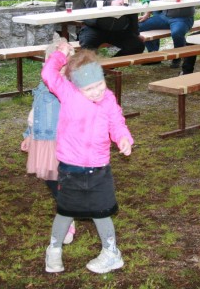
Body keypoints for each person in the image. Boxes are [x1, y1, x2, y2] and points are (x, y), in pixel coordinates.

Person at [41, 46, 133, 274]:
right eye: (89, 89)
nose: (96, 92)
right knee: (65, 211)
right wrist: (60, 54)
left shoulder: (108, 99)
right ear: (77, 86)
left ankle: (111, 253)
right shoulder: (68, 92)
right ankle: (54, 249)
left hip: (99, 168)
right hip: (70, 168)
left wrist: (123, 137)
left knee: (102, 211)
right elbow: (48, 74)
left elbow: (116, 122)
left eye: (99, 85)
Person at [20, 36, 76, 245]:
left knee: (61, 181)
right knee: (52, 180)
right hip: (43, 140)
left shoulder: (68, 87)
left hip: (60, 143)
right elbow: (36, 112)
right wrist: (29, 134)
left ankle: (68, 217)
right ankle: (69, 208)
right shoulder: (43, 86)